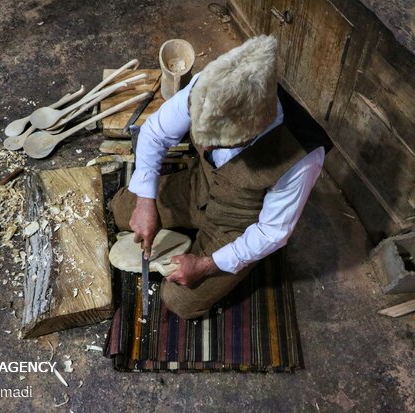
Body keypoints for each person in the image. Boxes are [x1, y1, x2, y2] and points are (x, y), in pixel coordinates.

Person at [110, 35, 324, 319]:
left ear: (252, 132)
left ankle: (239, 264)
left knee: (179, 301)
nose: (205, 147)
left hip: (239, 223)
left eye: (220, 144)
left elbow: (272, 232)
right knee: (122, 207)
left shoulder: (303, 155)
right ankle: (178, 223)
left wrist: (208, 264)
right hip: (200, 187)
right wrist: (145, 202)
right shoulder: (211, 85)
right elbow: (155, 133)